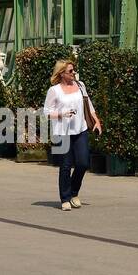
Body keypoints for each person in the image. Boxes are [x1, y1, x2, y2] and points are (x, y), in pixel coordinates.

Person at [45, 58, 102, 210]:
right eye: (70, 71)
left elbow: (88, 103)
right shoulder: (54, 91)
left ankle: (74, 192)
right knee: (65, 166)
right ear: (62, 73)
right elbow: (47, 112)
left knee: (83, 163)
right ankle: (65, 198)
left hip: (80, 129)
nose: (73, 73)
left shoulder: (80, 85)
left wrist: (96, 120)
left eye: (74, 70)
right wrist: (63, 113)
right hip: (62, 132)